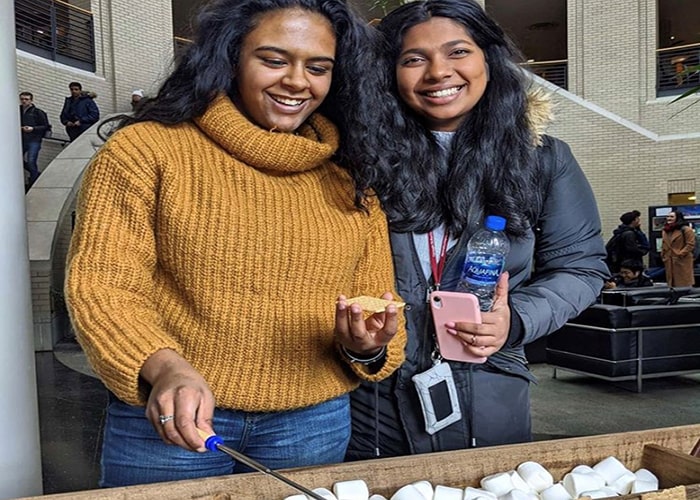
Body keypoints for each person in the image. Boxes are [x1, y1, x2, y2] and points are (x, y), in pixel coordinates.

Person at [65, 0, 406, 487]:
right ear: (230, 58)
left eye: (318, 67)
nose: (296, 81)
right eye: (273, 59)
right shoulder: (146, 152)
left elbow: (377, 306)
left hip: (311, 424)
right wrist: (165, 368)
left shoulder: (351, 180)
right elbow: (104, 288)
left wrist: (366, 346)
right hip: (175, 420)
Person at [346, 0, 608, 460]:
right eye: (413, 59)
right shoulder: (358, 161)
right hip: (373, 399)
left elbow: (581, 267)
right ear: (388, 72)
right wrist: (360, 344)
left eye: (458, 52)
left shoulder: (543, 159)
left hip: (491, 387)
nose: (437, 72)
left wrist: (516, 320)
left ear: (488, 58)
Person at [19, 91, 50, 189]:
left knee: (31, 160)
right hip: (22, 139)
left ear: (31, 100)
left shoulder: (38, 112)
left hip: (34, 139)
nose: (24, 101)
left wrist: (33, 128)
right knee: (18, 160)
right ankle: (35, 175)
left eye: (26, 99)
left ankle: (33, 180)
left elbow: (45, 126)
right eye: (22, 99)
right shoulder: (18, 110)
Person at [661, 210, 696, 287]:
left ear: (678, 218)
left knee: (683, 283)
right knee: (671, 284)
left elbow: (690, 244)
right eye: (668, 216)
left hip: (682, 260)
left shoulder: (686, 229)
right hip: (669, 260)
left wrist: (680, 254)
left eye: (672, 217)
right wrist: (663, 255)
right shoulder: (665, 230)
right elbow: (664, 244)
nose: (669, 218)